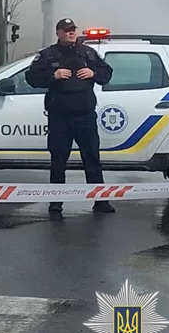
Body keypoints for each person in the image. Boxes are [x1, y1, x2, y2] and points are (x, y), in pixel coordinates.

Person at [24, 17, 115, 215]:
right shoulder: (47, 56)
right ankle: (56, 202)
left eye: (73, 29)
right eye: (66, 30)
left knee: (92, 159)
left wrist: (93, 73)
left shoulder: (88, 53)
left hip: (85, 116)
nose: (70, 33)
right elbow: (31, 78)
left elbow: (107, 73)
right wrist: (52, 76)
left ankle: (100, 201)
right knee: (58, 160)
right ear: (58, 33)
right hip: (60, 118)